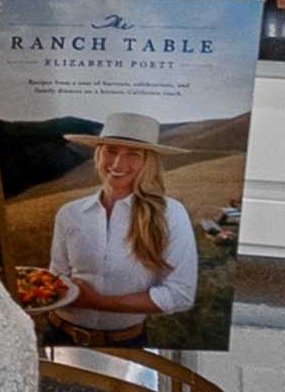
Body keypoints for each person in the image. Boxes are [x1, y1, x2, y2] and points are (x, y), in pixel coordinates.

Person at [44, 114, 200, 324]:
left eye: (133, 154)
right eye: (111, 150)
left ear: (148, 162)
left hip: (128, 342)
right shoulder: (69, 213)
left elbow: (180, 295)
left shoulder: (170, 213)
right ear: (98, 154)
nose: (118, 163)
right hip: (60, 331)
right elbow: (57, 277)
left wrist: (98, 302)